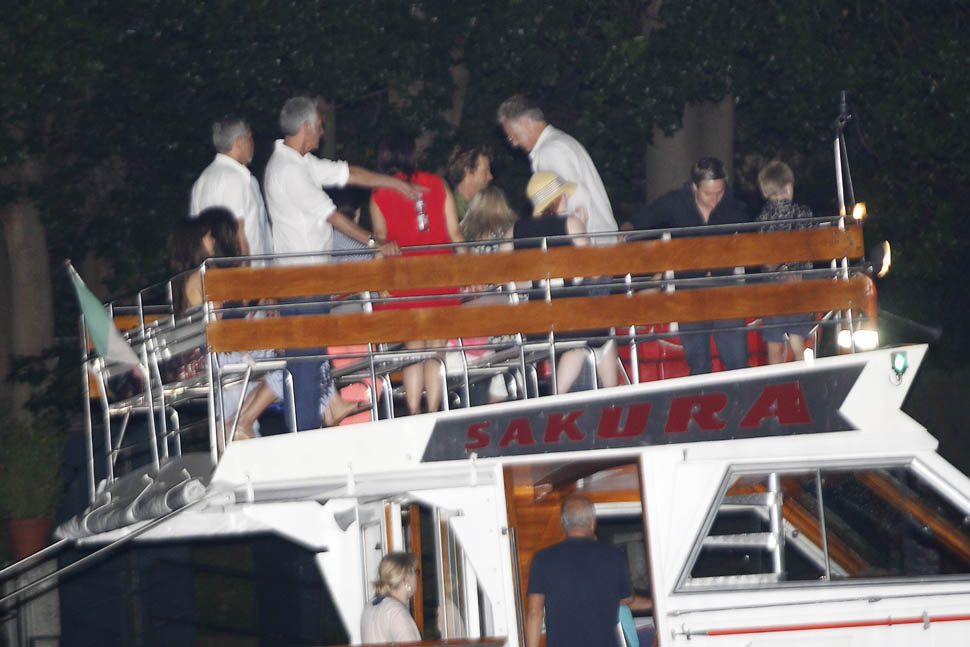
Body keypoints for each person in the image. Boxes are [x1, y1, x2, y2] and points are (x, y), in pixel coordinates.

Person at [262, 96, 415, 430]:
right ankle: (304, 435)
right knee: (305, 364)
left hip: (310, 280)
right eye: (319, 125)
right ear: (305, 127)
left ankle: (313, 424)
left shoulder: (299, 162)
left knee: (312, 359)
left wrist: (394, 182)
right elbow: (333, 216)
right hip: (301, 281)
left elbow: (348, 173)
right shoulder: (288, 170)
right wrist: (375, 242)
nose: (322, 131)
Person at [370, 129, 464, 415]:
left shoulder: (380, 194)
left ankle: (413, 412)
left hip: (405, 281)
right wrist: (471, 272)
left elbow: (381, 242)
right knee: (436, 348)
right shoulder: (438, 184)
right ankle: (434, 410)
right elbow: (455, 234)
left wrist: (379, 281)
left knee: (413, 349)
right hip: (440, 276)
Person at [630, 157, 751, 375]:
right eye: (708, 194)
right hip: (688, 287)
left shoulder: (733, 205)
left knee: (737, 361)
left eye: (719, 192)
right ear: (694, 187)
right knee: (699, 364)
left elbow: (754, 236)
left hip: (724, 286)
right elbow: (638, 223)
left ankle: (743, 394)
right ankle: (700, 395)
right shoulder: (676, 202)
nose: (715, 200)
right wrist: (626, 237)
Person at [511, 172, 618, 394]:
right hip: (570, 321)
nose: (568, 199)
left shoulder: (516, 230)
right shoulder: (570, 223)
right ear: (556, 199)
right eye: (564, 195)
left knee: (596, 331)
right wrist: (583, 227)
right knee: (599, 333)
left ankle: (605, 394)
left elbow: (511, 278)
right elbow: (594, 272)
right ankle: (604, 395)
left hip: (536, 323)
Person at [526, 495, 648, 647]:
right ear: (592, 522)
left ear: (563, 523)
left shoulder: (542, 559)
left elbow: (534, 613)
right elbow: (627, 598)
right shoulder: (613, 555)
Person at [497, 94, 617, 243]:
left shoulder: (550, 151)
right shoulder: (560, 142)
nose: (514, 144)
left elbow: (574, 200)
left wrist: (580, 241)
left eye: (513, 136)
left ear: (526, 124)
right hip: (599, 242)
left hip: (591, 246)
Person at [189, 115, 273, 260]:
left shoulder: (203, 179)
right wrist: (243, 269)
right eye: (250, 138)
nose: (252, 143)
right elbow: (237, 235)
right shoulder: (235, 179)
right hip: (245, 270)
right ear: (239, 143)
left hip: (218, 268)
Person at [756, 160, 815, 364]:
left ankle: (776, 379)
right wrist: (792, 269)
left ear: (765, 192)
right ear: (789, 187)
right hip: (799, 288)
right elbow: (810, 247)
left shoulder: (762, 218)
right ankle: (800, 377)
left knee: (774, 345)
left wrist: (780, 269)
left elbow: (762, 256)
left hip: (773, 290)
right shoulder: (803, 213)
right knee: (798, 344)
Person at [360, 552, 422, 644]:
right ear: (406, 578)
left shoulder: (370, 606)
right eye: (416, 572)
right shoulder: (397, 612)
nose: (417, 577)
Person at [446, 142, 493, 221]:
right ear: (468, 171)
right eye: (485, 171)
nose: (490, 177)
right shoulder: (453, 212)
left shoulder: (479, 208)